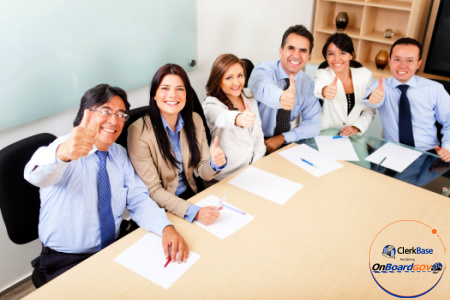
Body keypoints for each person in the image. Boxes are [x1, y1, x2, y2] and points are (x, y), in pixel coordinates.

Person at [24, 84, 188, 283]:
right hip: (67, 260)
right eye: (106, 111)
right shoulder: (66, 149)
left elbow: (138, 200)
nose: (114, 120)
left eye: (121, 114)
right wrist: (63, 153)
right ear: (86, 113)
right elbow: (35, 175)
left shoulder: (119, 154)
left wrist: (166, 228)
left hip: (113, 245)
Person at [127, 64, 227, 225]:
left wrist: (215, 164)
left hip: (194, 195)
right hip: (161, 210)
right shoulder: (138, 132)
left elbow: (203, 172)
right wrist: (194, 212)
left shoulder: (195, 120)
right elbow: (153, 191)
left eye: (180, 89)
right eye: (165, 88)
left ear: (186, 94)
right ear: (154, 94)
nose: (173, 95)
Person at [363, 37, 450, 162]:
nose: (402, 65)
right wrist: (374, 97)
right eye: (397, 59)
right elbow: (370, 99)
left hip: (428, 154)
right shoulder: (382, 86)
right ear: (390, 61)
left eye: (410, 60)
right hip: (393, 152)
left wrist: (448, 148)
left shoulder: (435, 89)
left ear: (418, 63)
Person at [248, 24, 321, 154]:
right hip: (251, 141)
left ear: (309, 56)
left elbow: (313, 124)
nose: (296, 55)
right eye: (291, 48)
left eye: (303, 51)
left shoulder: (308, 84)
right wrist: (281, 98)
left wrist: (283, 138)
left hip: (282, 141)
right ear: (281, 50)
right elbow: (265, 89)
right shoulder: (262, 71)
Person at [203, 54, 265, 181]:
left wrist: (257, 163)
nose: (236, 82)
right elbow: (223, 117)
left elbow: (258, 133)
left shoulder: (249, 95)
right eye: (229, 77)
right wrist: (239, 119)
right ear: (218, 80)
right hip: (226, 177)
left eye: (240, 75)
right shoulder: (211, 104)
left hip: (253, 168)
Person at [314, 33, 375, 136]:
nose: (337, 59)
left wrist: (356, 127)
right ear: (326, 57)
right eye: (331, 54)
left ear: (351, 55)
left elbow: (369, 110)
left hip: (353, 135)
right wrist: (325, 90)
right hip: (326, 133)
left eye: (342, 53)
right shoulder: (322, 74)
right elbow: (319, 86)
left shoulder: (365, 75)